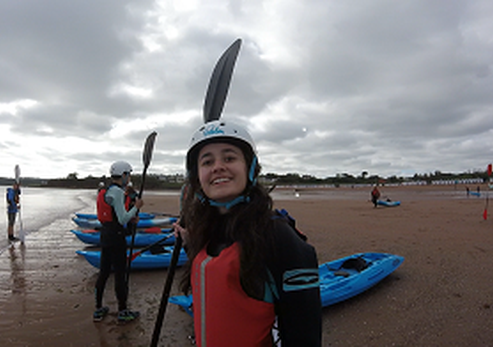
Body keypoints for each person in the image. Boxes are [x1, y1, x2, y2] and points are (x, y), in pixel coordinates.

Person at [173, 120, 322, 346]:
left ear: (250, 168)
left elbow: (305, 336)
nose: (218, 167)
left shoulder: (277, 235)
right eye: (207, 161)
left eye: (229, 158)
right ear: (197, 176)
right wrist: (188, 242)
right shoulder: (206, 232)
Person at [93, 161, 144, 323]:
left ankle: (98, 309)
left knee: (104, 272)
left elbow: (115, 215)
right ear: (123, 175)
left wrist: (131, 216)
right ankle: (123, 311)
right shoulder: (117, 192)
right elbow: (122, 219)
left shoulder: (105, 190)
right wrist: (136, 207)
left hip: (105, 235)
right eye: (128, 175)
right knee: (120, 275)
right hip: (116, 237)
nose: (129, 178)